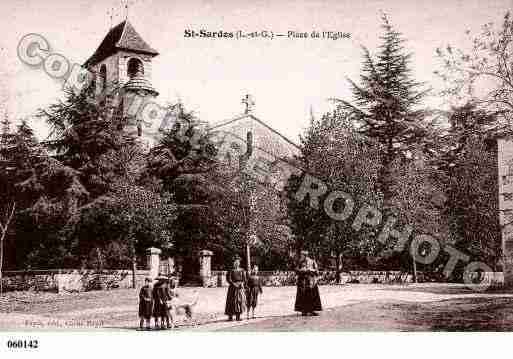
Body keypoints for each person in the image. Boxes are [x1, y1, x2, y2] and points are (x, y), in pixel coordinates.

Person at [294, 250, 322, 316]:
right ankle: (304, 310)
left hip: (311, 282)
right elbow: (296, 270)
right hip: (302, 282)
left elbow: (317, 271)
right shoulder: (300, 262)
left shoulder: (312, 262)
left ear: (305, 256)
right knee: (303, 296)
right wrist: (302, 270)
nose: (301, 256)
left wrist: (312, 270)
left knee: (311, 296)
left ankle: (312, 310)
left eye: (302, 255)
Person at [225, 256, 247, 321]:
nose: (236, 263)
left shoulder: (242, 270)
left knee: (239, 301)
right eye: (235, 262)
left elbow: (244, 279)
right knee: (231, 301)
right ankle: (230, 316)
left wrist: (242, 283)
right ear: (233, 263)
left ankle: (238, 316)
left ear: (239, 263)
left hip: (240, 288)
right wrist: (234, 284)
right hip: (232, 288)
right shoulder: (231, 270)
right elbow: (229, 279)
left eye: (238, 262)